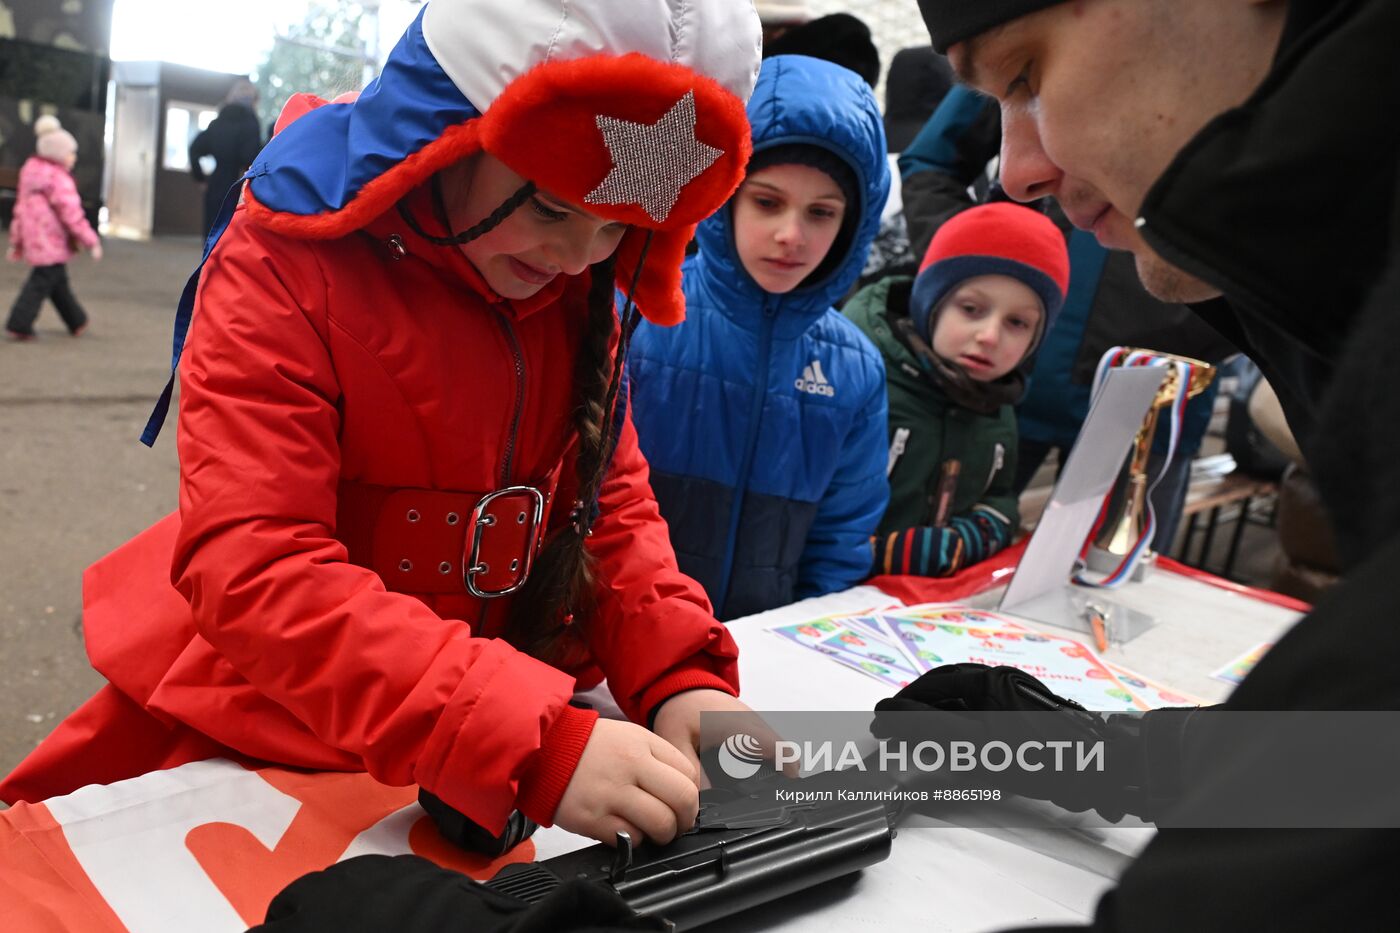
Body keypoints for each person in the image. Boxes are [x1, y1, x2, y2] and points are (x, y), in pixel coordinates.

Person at [0, 0, 767, 851]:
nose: (581, 255)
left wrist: (680, 675)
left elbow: (607, 507)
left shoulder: (570, 285)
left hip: (494, 727)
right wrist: (527, 735)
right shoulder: (289, 257)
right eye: (552, 207)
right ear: (451, 135)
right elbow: (257, 564)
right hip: (269, 724)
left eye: (619, 225)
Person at [884, 1, 1400, 930]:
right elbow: (1365, 761)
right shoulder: (1327, 300)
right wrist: (1098, 756)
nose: (1018, 170)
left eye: (1028, 76)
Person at [898, 83, 1235, 551]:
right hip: (1004, 383)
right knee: (948, 557)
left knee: (1111, 574)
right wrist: (972, 262)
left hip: (1148, 389)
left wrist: (1205, 323)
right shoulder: (1039, 50)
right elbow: (934, 159)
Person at [628, 54, 891, 621]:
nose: (791, 234)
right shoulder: (641, 315)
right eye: (767, 202)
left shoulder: (856, 367)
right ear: (725, 195)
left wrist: (807, 639)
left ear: (852, 226)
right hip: (627, 638)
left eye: (822, 213)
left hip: (767, 648)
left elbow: (842, 536)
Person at [845, 202, 1068, 577]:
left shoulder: (997, 401)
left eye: (1017, 323)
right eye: (971, 309)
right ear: (929, 303)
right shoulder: (859, 379)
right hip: (833, 594)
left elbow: (1000, 499)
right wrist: (883, 553)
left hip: (928, 598)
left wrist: (968, 539)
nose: (989, 336)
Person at [5, 115, 101, 340]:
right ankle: (19, 323)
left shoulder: (30, 172)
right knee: (42, 281)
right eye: (70, 153)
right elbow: (72, 214)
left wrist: (17, 240)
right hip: (51, 240)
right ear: (57, 154)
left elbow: (20, 211)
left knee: (56, 280)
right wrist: (91, 240)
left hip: (35, 239)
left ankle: (77, 320)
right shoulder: (59, 179)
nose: (74, 157)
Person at [188, 78, 264, 237]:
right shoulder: (251, 123)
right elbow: (249, 156)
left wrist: (200, 179)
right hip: (240, 185)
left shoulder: (217, 123)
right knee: (234, 237)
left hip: (216, 184)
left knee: (212, 234)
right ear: (254, 100)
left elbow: (194, 149)